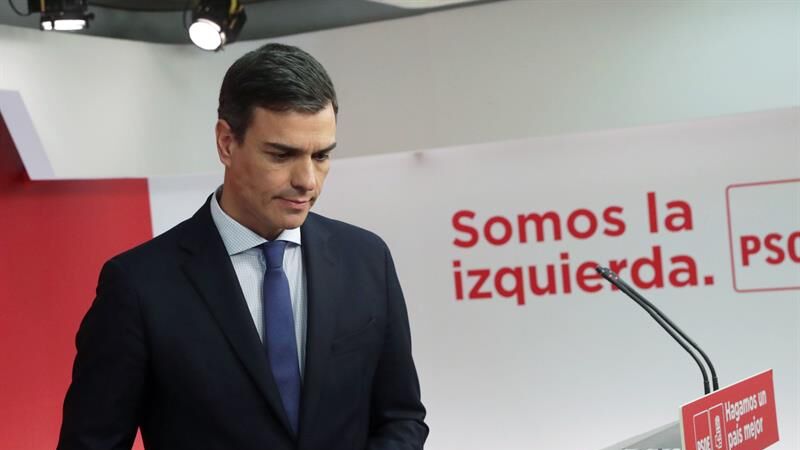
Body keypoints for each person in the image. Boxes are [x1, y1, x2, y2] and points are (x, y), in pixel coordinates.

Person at [57, 43, 428, 450]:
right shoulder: (138, 286)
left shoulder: (368, 260)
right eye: (282, 155)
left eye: (321, 155)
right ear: (226, 143)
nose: (307, 180)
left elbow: (401, 419)